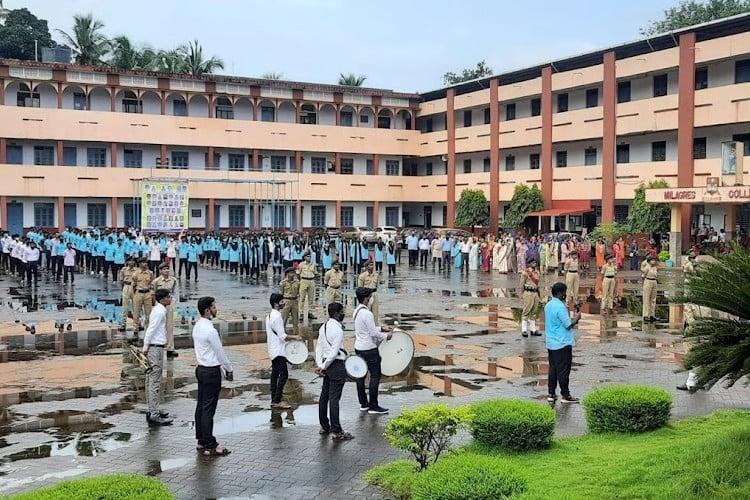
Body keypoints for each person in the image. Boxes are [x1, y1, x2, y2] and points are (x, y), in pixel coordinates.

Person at [192, 296, 233, 456]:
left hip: (201, 369)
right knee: (209, 408)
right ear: (208, 310)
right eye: (214, 307)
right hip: (211, 371)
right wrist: (228, 369)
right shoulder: (210, 330)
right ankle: (210, 443)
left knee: (201, 406)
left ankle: (201, 438)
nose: (216, 309)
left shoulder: (198, 326)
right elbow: (220, 353)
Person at [315, 302, 354, 441]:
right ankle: (337, 431)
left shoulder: (323, 326)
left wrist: (320, 364)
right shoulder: (338, 330)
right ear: (337, 314)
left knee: (324, 396)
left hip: (326, 365)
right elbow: (334, 352)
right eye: (342, 311)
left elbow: (319, 348)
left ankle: (324, 426)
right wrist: (324, 366)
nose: (343, 314)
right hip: (336, 365)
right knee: (334, 399)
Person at [353, 287, 392, 414]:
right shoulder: (367, 314)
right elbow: (373, 334)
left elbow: (367, 328)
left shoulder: (357, 311)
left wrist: (381, 328)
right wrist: (386, 336)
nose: (371, 299)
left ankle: (364, 404)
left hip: (359, 347)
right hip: (369, 349)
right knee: (375, 376)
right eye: (370, 297)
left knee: (360, 376)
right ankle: (374, 406)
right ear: (366, 299)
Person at [142, 288, 174, 426]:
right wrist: (145, 347)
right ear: (162, 299)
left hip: (155, 347)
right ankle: (154, 414)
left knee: (151, 379)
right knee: (154, 381)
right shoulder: (160, 311)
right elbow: (151, 329)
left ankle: (152, 409)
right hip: (155, 348)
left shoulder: (159, 310)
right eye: (168, 297)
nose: (170, 298)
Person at [545, 282, 581, 404]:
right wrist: (577, 317)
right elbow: (568, 324)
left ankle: (551, 393)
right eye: (564, 292)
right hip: (562, 343)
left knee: (553, 369)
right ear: (560, 293)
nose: (565, 294)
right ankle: (565, 395)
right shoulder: (560, 307)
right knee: (563, 370)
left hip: (551, 343)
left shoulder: (548, 305)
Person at [266, 293, 302, 409]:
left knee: (275, 375)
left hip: (272, 349)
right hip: (278, 350)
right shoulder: (277, 317)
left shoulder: (269, 315)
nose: (283, 304)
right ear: (276, 303)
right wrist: (295, 337)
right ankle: (277, 400)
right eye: (282, 302)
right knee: (283, 375)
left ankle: (275, 399)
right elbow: (282, 336)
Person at [153, 262, 179, 358]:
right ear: (160, 271)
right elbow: (154, 293)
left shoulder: (173, 280)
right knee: (158, 326)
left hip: (169, 305)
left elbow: (176, 293)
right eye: (164, 269)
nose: (166, 271)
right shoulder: (156, 281)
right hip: (159, 305)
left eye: (167, 269)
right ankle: (157, 346)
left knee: (169, 326)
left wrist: (173, 303)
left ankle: (170, 348)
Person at [519, 257, 541, 337]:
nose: (535, 264)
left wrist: (539, 295)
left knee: (534, 312)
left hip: (535, 292)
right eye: (533, 263)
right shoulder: (525, 273)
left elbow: (537, 284)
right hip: (528, 292)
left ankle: (533, 330)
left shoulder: (537, 272)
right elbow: (521, 284)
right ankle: (524, 330)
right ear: (529, 264)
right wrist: (521, 294)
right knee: (526, 311)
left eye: (535, 262)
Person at [132, 258, 155, 333]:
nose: (145, 264)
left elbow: (152, 283)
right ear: (140, 264)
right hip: (139, 293)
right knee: (136, 311)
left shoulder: (150, 273)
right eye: (143, 263)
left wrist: (151, 293)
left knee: (148, 312)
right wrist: (135, 294)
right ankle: (136, 326)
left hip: (147, 293)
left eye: (146, 262)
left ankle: (148, 326)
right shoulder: (135, 273)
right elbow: (133, 285)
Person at [297, 252, 317, 321]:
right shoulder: (301, 265)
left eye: (310, 256)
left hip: (311, 280)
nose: (309, 258)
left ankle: (310, 312)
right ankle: (301, 313)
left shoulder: (313, 265)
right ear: (305, 257)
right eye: (307, 256)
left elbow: (315, 273)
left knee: (311, 299)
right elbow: (298, 273)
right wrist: (300, 281)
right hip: (304, 280)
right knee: (302, 298)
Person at [119, 256, 137, 332]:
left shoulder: (137, 270)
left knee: (136, 306)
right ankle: (123, 323)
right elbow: (121, 280)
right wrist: (122, 289)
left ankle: (137, 323)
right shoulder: (124, 270)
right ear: (127, 262)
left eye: (133, 261)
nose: (131, 262)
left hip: (135, 287)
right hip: (126, 286)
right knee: (125, 306)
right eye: (130, 261)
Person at [280, 267, 300, 336]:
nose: (292, 274)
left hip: (294, 301)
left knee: (295, 320)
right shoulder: (283, 283)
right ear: (287, 274)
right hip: (286, 301)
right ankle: (282, 335)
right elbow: (282, 292)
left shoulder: (297, 282)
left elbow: (298, 292)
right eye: (291, 273)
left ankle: (296, 334)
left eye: (293, 273)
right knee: (284, 319)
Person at [641, 255, 659, 323]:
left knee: (653, 299)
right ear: (649, 261)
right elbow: (643, 275)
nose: (653, 261)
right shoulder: (647, 267)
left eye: (654, 260)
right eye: (652, 260)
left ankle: (652, 314)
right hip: (648, 281)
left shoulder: (655, 268)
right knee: (646, 298)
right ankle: (645, 315)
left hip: (654, 281)